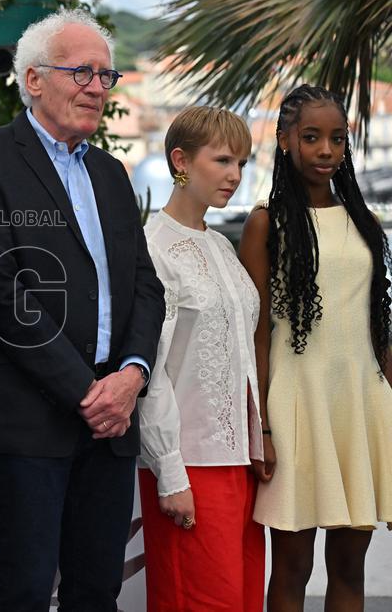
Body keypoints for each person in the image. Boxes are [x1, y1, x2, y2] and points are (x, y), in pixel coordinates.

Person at [0, 9, 165, 611]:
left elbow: (145, 286)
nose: (97, 86)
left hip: (114, 417)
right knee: (25, 586)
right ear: (34, 78)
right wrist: (86, 391)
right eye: (82, 72)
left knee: (98, 588)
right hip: (33, 417)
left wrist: (130, 376)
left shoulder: (111, 173)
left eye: (106, 75)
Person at [238, 84, 392, 612]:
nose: (326, 150)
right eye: (311, 137)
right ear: (284, 141)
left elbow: (379, 326)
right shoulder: (265, 223)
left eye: (337, 139)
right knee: (292, 569)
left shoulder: (366, 223)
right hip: (296, 407)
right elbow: (255, 334)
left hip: (363, 407)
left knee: (349, 569)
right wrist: (261, 427)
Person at [138, 106, 265, 611]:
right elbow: (151, 372)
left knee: (242, 598)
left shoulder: (222, 247)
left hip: (241, 465)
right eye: (223, 161)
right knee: (198, 600)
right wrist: (170, 473)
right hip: (190, 464)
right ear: (180, 161)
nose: (235, 176)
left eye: (242, 163)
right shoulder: (152, 248)